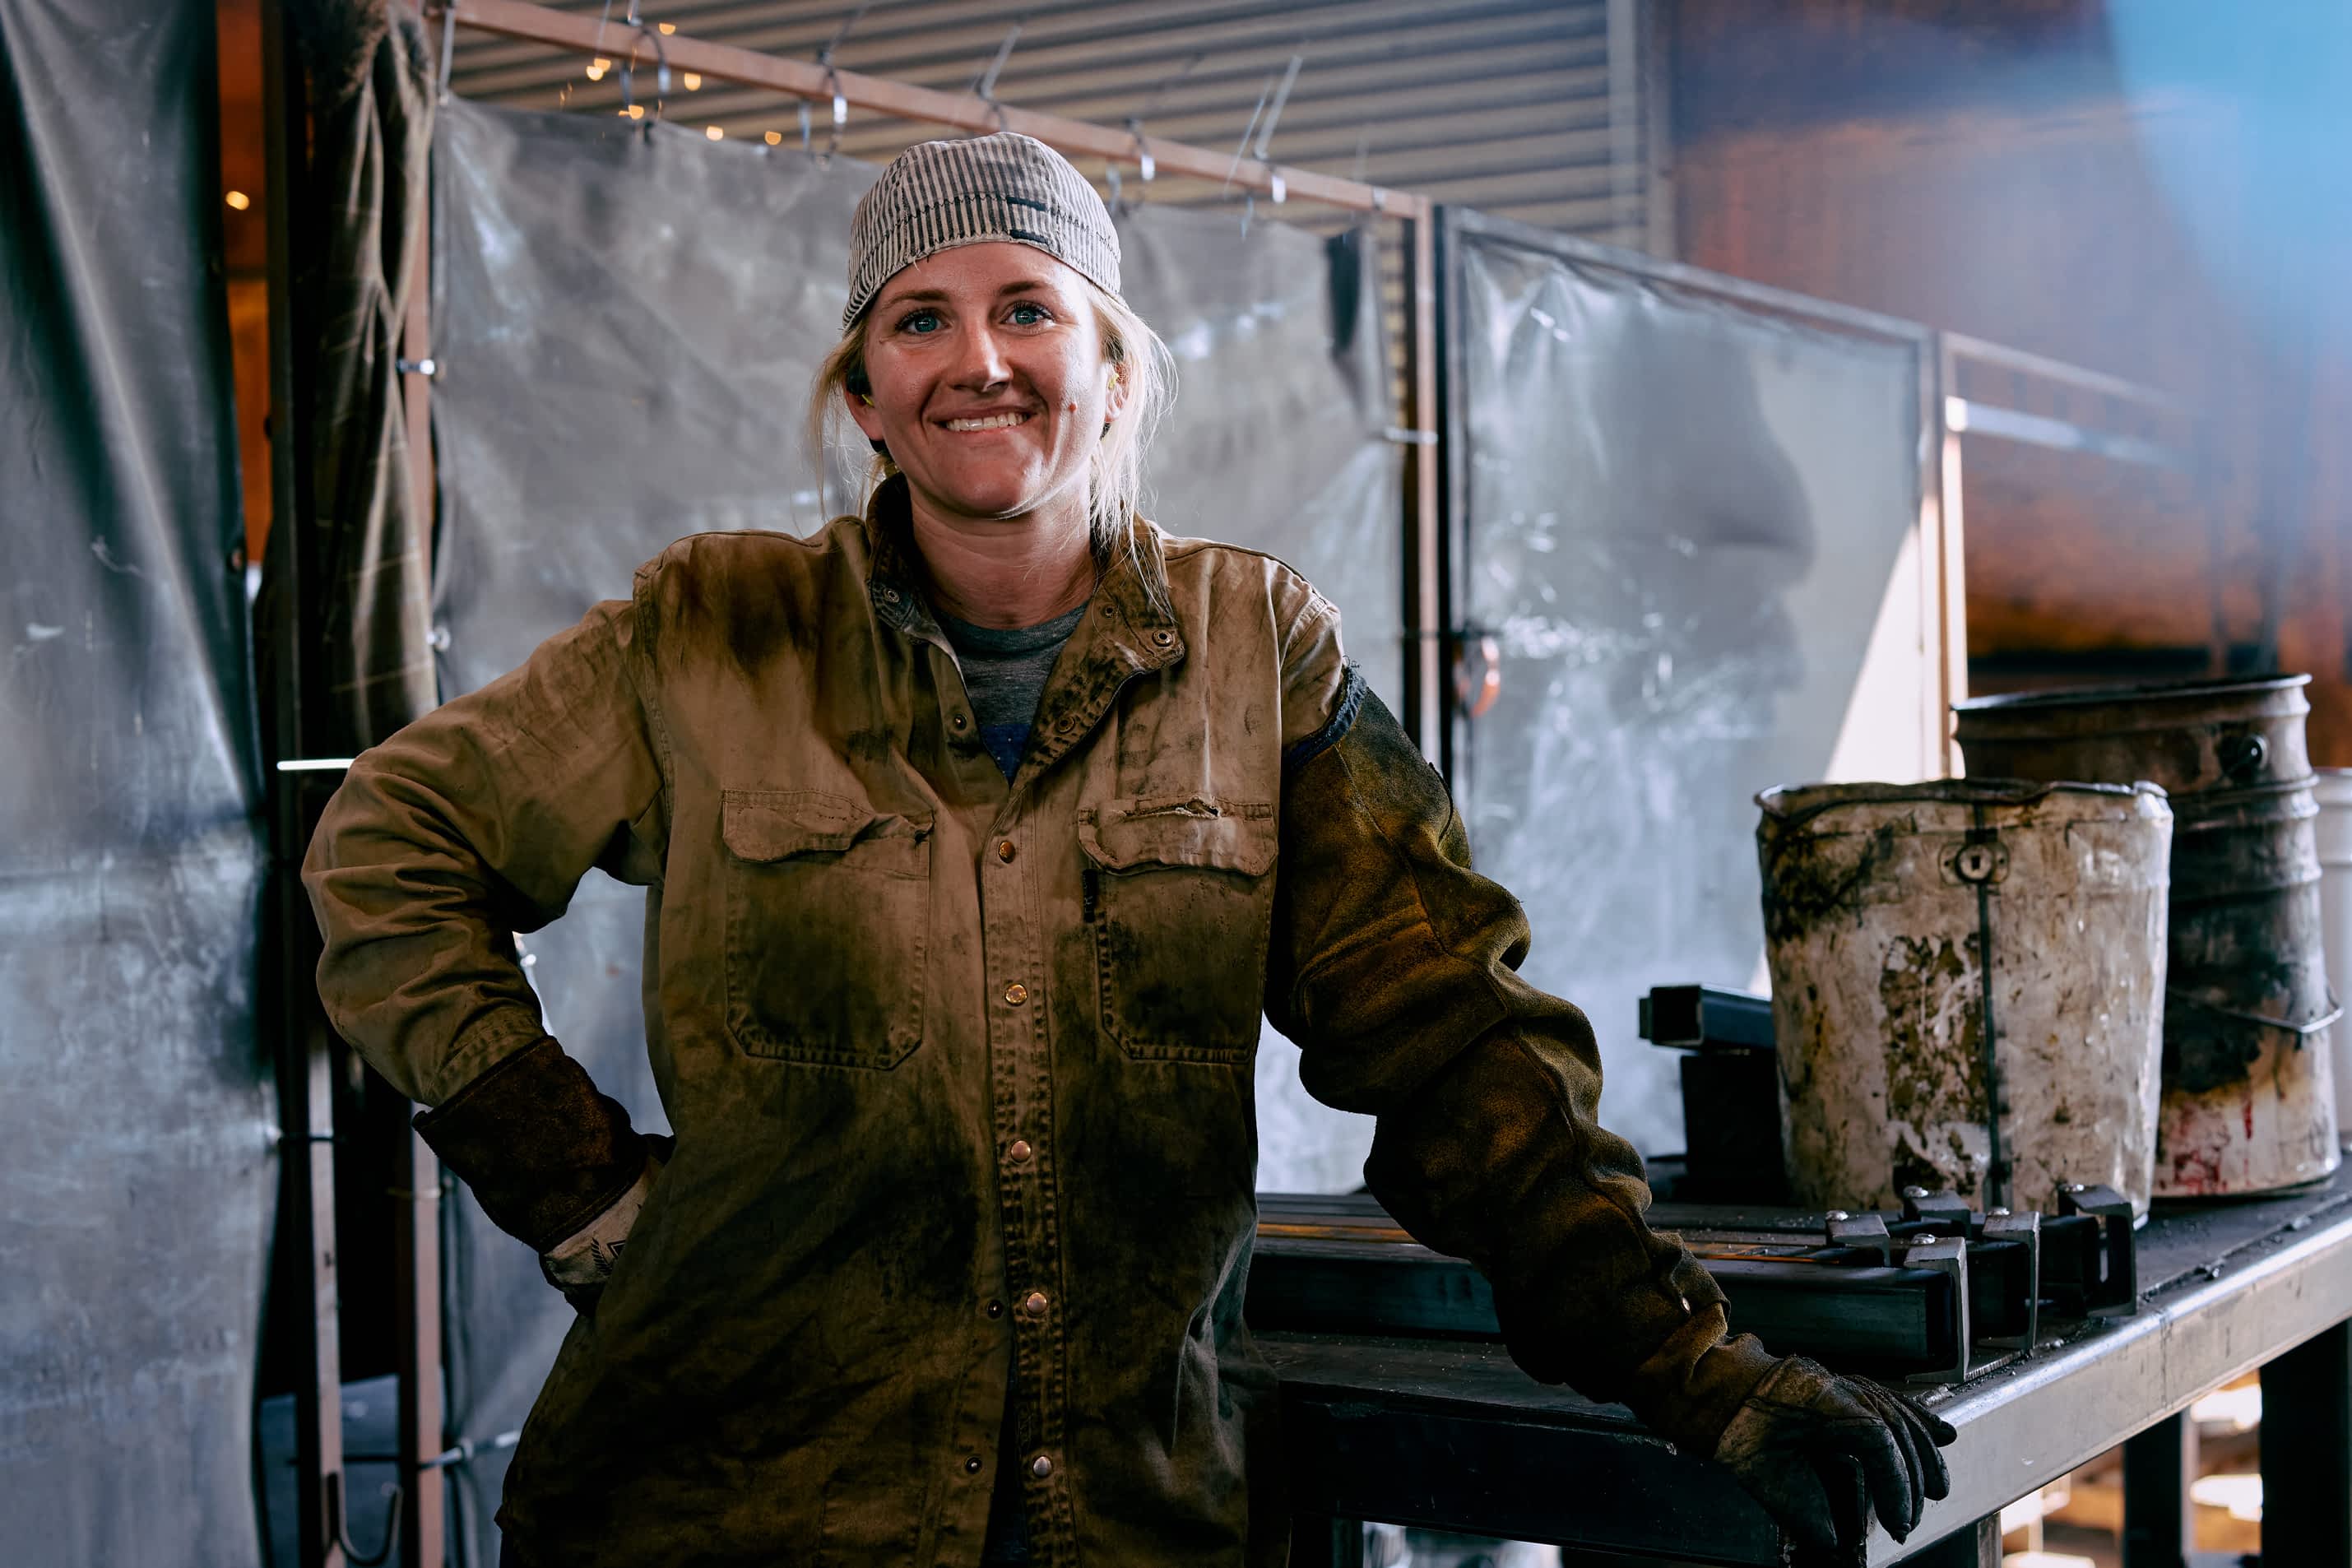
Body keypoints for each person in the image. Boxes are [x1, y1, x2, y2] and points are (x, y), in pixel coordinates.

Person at [304, 132, 1952, 1568]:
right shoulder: (712, 632)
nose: (979, 357)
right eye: (918, 318)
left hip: (1123, 1509)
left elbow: (1451, 1038)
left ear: (1112, 363)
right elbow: (388, 848)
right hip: (728, 1500)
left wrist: (1700, 1368)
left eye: (1028, 305)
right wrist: (572, 1179)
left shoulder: (1253, 652)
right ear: (866, 394)